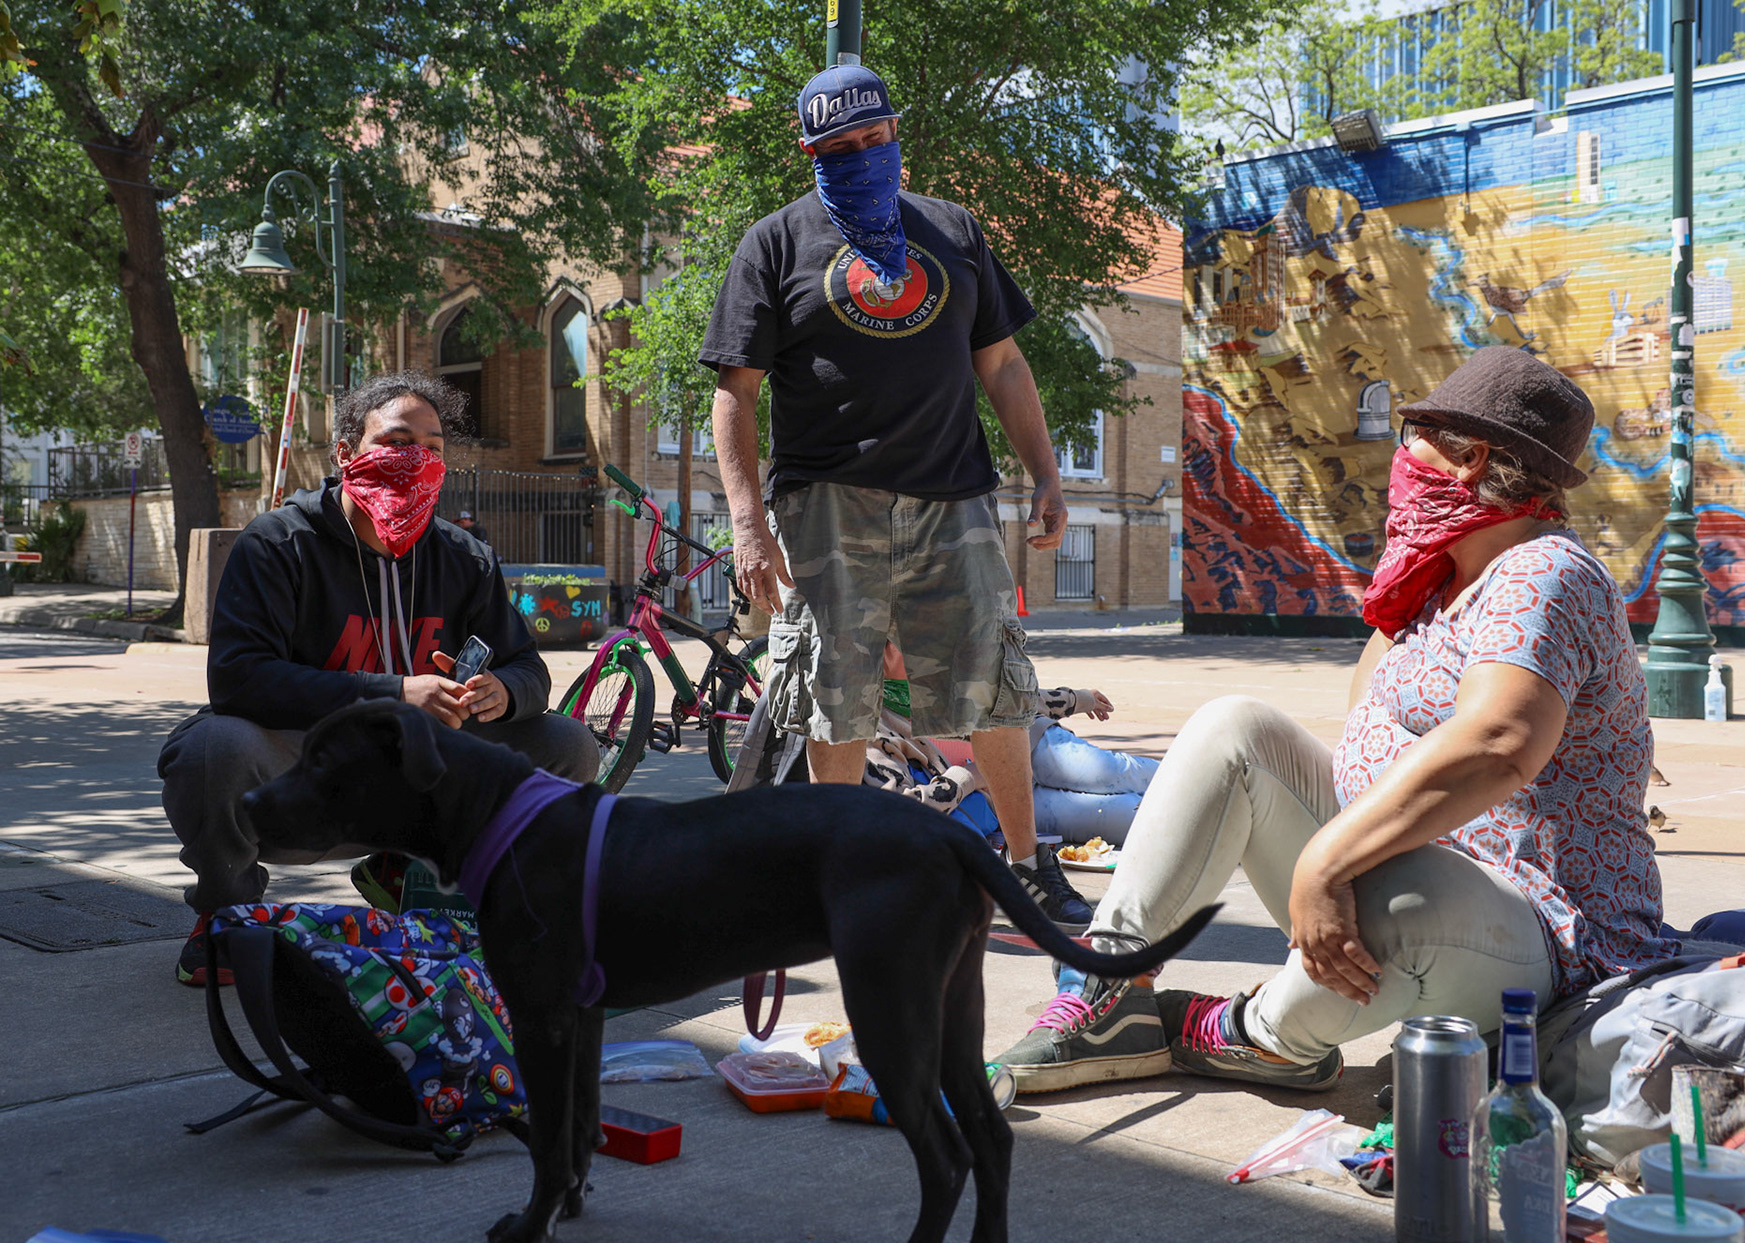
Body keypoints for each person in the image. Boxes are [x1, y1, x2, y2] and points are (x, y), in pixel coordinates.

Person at [995, 345, 1678, 1092]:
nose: (1399, 459)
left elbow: (1497, 744)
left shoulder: (1544, 571)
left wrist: (1329, 861)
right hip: (1401, 863)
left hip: (1544, 926)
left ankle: (1258, 1036)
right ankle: (1111, 987)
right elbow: (1367, 720)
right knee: (1235, 728)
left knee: (1400, 901)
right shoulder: (1440, 573)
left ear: (1470, 458)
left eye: (1413, 437)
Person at [698, 64, 1086, 925]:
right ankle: (840, 868)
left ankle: (1025, 866)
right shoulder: (774, 243)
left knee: (995, 684)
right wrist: (748, 525)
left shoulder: (954, 230)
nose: (866, 156)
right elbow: (736, 392)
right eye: (842, 147)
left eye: (877, 139)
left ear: (896, 134)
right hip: (826, 502)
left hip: (956, 495)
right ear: (812, 152)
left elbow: (1005, 364)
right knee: (835, 692)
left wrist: (1049, 473)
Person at [157, 370, 600, 985]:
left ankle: (456, 891)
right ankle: (229, 917)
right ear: (346, 454)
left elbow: (528, 668)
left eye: (434, 447)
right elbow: (237, 680)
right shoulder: (277, 543)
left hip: (425, 774)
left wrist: (505, 692)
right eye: (395, 441)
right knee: (212, 748)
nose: (415, 458)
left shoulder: (463, 556)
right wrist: (394, 693)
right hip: (311, 781)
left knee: (568, 744)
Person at [866, 642, 1157, 849]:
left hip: (1035, 746)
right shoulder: (869, 728)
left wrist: (1078, 699)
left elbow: (1013, 700)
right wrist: (969, 776)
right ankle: (1197, 818)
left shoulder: (942, 677)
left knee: (1116, 773)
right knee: (1129, 816)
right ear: (888, 652)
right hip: (1008, 800)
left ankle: (1200, 778)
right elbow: (900, 809)